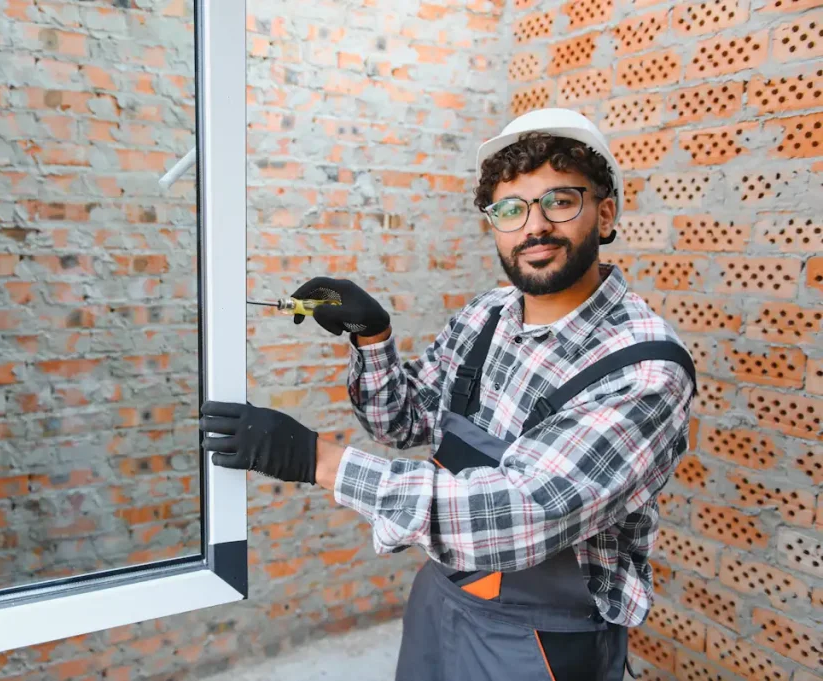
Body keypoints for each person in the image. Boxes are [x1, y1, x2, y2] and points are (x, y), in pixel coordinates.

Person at [200, 108, 696, 681]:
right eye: (510, 210)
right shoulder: (488, 315)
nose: (533, 226)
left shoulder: (645, 368)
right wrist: (374, 338)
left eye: (559, 201)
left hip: (543, 643)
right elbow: (403, 424)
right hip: (442, 599)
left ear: (605, 214)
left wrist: (318, 461)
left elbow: (517, 516)